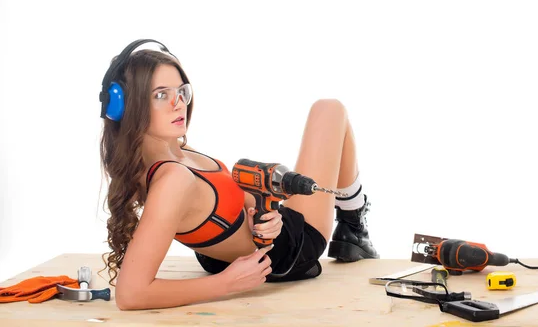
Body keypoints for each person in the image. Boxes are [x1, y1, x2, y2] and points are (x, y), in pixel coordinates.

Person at [98, 39, 379, 310]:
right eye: (161, 94)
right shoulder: (173, 179)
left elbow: (219, 207)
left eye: (181, 91)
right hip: (289, 252)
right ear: (125, 105)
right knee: (330, 109)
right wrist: (227, 283)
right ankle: (353, 224)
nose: (178, 103)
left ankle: (347, 223)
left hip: (231, 255)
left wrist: (269, 219)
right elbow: (130, 294)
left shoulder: (169, 155)